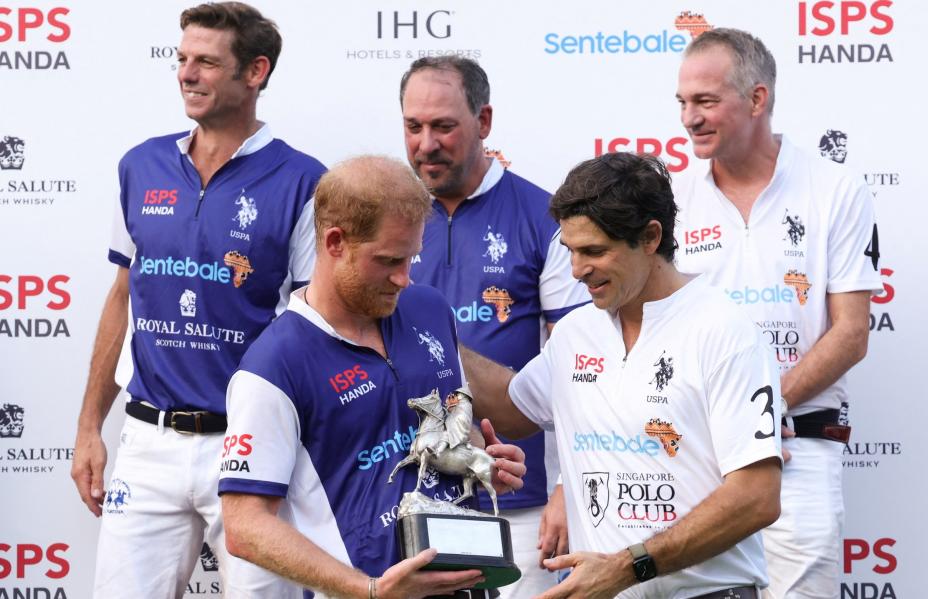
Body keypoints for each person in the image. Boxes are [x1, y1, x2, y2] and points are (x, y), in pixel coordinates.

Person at [69, 3, 325, 597]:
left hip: (250, 448)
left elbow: (313, 326)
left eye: (207, 62)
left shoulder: (304, 181)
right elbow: (121, 296)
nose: (187, 73)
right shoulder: (141, 164)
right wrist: (88, 427)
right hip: (146, 442)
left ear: (255, 71)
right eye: (183, 59)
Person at [462, 152, 783, 598]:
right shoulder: (576, 332)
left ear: (651, 237)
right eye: (571, 252)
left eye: (594, 251)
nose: (577, 271)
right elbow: (510, 411)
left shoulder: (724, 329)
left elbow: (756, 497)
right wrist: (434, 332)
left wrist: (629, 567)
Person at [218, 155, 527, 599]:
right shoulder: (272, 366)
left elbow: (442, 431)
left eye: (412, 258)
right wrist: (370, 589)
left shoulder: (429, 309)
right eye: (389, 261)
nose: (404, 278)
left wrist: (483, 463)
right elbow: (244, 526)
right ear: (335, 242)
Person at [672, 28, 881, 598]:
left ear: (757, 99)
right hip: (695, 452)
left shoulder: (833, 188)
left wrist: (765, 407)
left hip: (800, 448)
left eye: (706, 101)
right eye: (683, 103)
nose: (689, 118)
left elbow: (852, 333)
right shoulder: (669, 198)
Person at [400, 55, 589, 597]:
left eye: (444, 126)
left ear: (483, 122)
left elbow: (580, 364)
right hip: (413, 499)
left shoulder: (544, 216)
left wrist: (564, 489)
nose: (426, 144)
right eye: (414, 127)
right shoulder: (390, 217)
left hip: (520, 502)